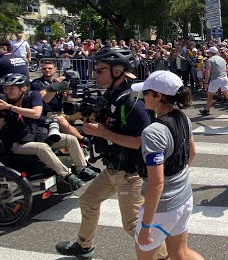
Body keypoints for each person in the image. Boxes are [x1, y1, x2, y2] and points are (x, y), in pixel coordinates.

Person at [56, 47, 169, 260]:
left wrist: (103, 131)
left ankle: (164, 258)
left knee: (134, 226)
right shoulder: (113, 96)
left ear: (117, 71)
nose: (94, 75)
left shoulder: (132, 102)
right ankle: (84, 245)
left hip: (130, 173)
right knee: (88, 201)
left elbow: (140, 142)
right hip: (113, 168)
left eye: (99, 71)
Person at [131, 71, 203, 260]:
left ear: (158, 96)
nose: (142, 97)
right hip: (184, 197)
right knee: (180, 253)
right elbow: (192, 152)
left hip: (162, 208)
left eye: (146, 92)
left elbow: (156, 183)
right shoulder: (183, 118)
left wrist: (146, 226)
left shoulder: (153, 132)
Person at [0, 73, 94, 193]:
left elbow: (36, 113)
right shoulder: (3, 102)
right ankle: (67, 176)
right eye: (5, 88)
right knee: (42, 147)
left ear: (23, 88)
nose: (7, 91)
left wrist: (9, 107)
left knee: (70, 139)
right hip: (17, 143)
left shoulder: (32, 95)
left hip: (37, 135)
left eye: (11, 88)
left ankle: (82, 169)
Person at [30, 61, 85, 143]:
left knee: (86, 112)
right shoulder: (37, 83)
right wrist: (56, 85)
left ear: (55, 69)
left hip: (62, 112)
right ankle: (82, 139)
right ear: (41, 70)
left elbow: (69, 99)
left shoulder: (59, 82)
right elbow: (45, 99)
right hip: (48, 115)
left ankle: (91, 135)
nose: (47, 70)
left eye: (50, 68)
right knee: (61, 120)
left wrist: (69, 90)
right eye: (44, 68)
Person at [199, 47, 228, 116]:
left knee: (210, 95)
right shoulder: (223, 59)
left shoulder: (210, 60)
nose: (208, 54)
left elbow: (208, 71)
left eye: (209, 53)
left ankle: (207, 110)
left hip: (215, 79)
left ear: (211, 53)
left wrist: (206, 81)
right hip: (224, 78)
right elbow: (227, 70)